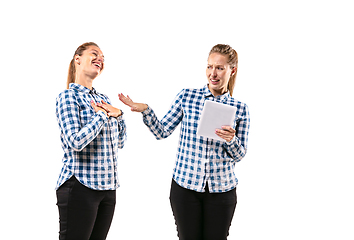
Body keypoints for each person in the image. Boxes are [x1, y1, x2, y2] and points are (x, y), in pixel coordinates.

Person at [119, 44, 250, 240]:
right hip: (185, 188)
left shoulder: (240, 108)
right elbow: (162, 132)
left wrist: (231, 140)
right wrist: (146, 109)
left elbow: (240, 155)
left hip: (222, 191)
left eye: (220, 68)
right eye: (209, 66)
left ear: (232, 70)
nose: (213, 73)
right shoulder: (187, 97)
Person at [55, 42, 126, 240]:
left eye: (103, 58)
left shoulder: (103, 98)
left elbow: (120, 142)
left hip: (107, 188)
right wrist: (102, 116)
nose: (100, 59)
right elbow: (75, 142)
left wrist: (119, 114)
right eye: (94, 54)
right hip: (79, 186)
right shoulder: (68, 97)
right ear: (77, 59)